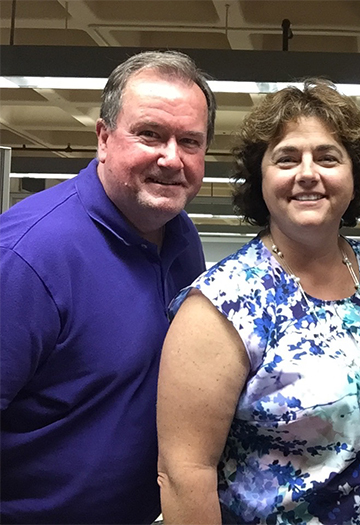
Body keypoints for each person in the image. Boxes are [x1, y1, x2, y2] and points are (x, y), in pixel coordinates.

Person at [156, 79, 360, 524]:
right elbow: (184, 474)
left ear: (354, 177)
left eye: (328, 158)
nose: (307, 173)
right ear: (261, 180)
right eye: (287, 159)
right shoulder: (222, 303)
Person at [0, 50, 216, 524]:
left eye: (190, 141)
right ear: (103, 137)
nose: (171, 158)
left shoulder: (182, 239)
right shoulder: (28, 256)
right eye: (150, 134)